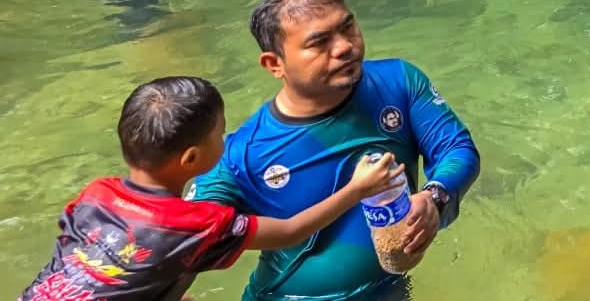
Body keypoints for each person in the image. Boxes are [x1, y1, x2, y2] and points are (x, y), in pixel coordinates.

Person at [191, 0, 480, 301]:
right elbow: (182, 235)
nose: (344, 46)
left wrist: (434, 197)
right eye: (319, 42)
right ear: (275, 64)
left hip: (388, 289)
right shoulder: (243, 153)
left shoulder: (398, 82)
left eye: (347, 27)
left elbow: (456, 148)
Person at [19, 77, 405, 301]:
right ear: (191, 158)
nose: (227, 138)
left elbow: (83, 258)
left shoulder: (96, 193)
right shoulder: (195, 222)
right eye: (220, 133)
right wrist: (357, 190)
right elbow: (291, 232)